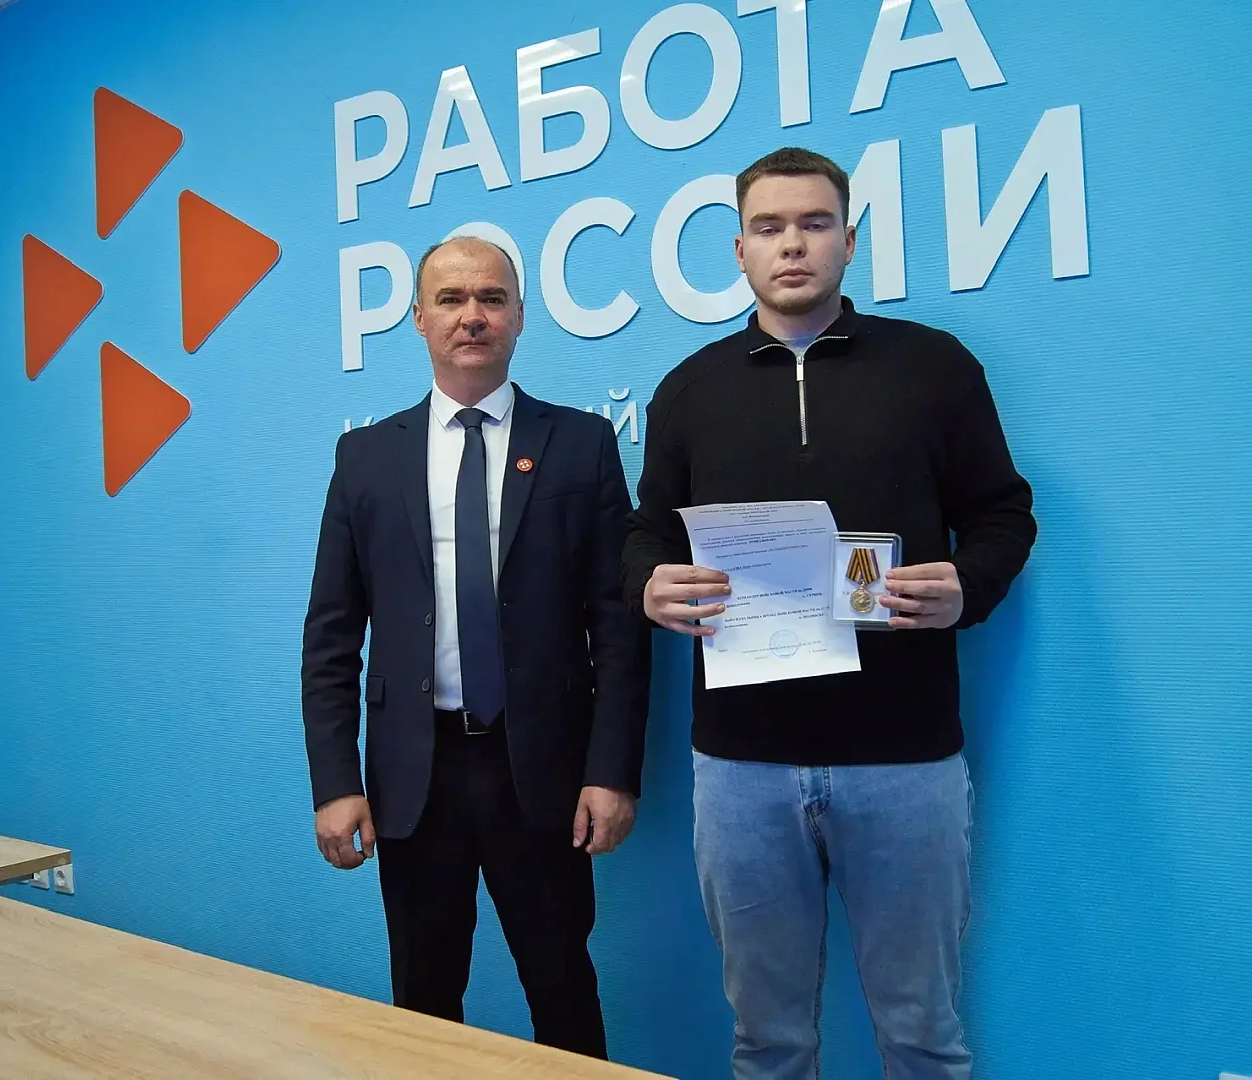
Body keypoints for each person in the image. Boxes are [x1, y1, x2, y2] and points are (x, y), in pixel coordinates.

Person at [621, 148, 1037, 1080]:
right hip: (739, 767)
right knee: (766, 1042)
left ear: (848, 241)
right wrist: (647, 584)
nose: (792, 244)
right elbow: (646, 530)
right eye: (768, 227)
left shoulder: (933, 367)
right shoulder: (689, 389)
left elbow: (1003, 512)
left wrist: (966, 586)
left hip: (906, 760)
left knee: (922, 1035)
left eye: (813, 224)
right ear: (738, 251)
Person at [301, 236, 650, 1060]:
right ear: (418, 317)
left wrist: (610, 772)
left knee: (563, 990)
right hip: (414, 778)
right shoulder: (365, 457)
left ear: (519, 316)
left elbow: (619, 628)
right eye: (451, 298)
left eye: (491, 298)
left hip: (542, 771)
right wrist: (336, 784)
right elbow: (331, 635)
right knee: (421, 1002)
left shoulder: (580, 444)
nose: (472, 316)